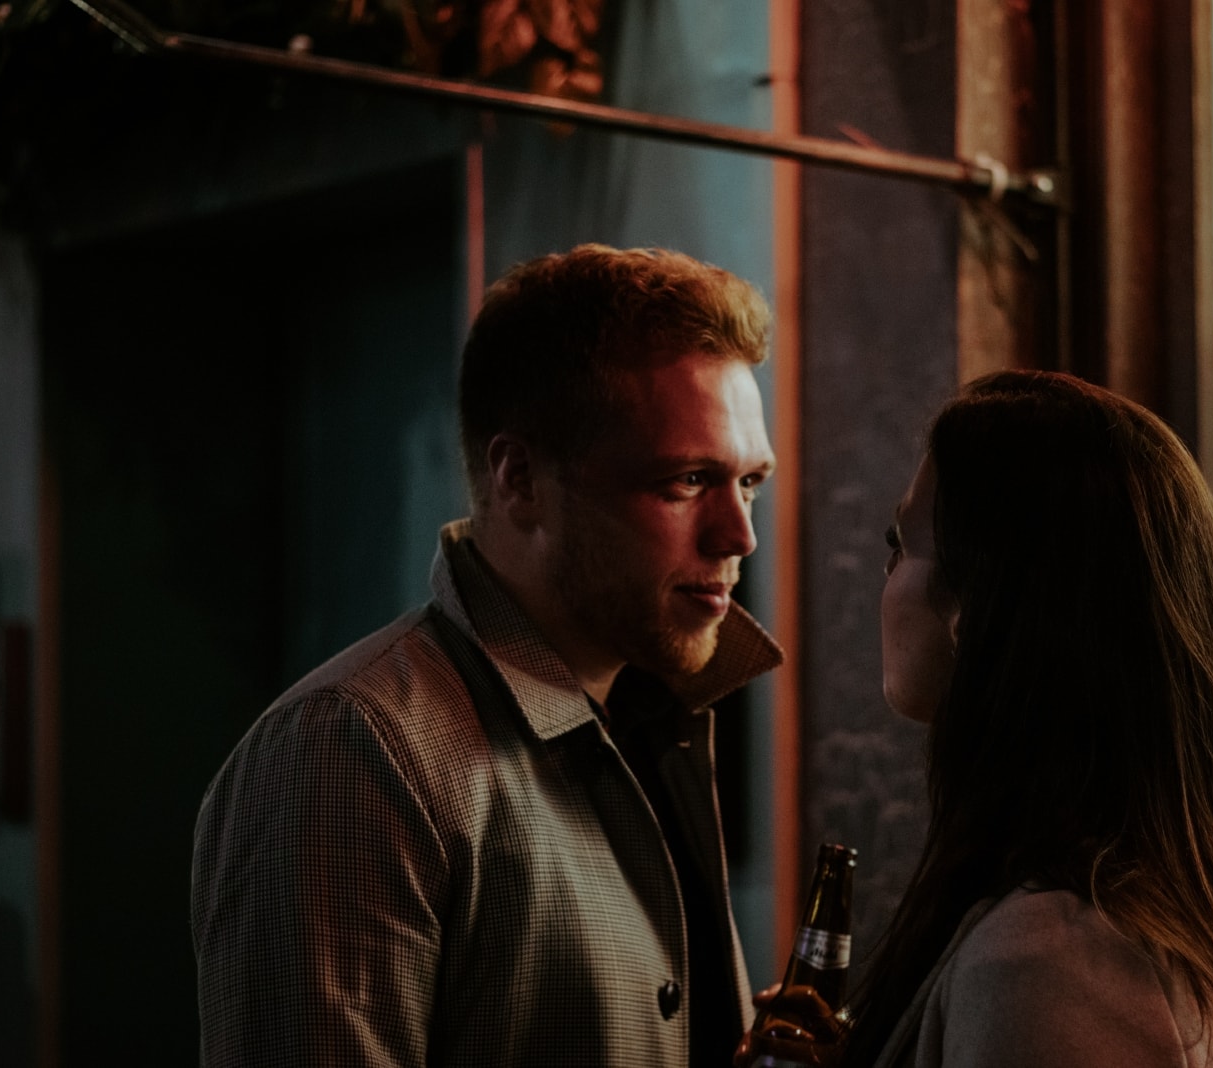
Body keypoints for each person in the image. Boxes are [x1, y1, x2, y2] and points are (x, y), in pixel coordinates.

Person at [191, 244, 783, 1067]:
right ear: (520, 479)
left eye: (749, 483)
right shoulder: (352, 754)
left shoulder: (660, 716)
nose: (738, 535)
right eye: (685, 481)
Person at [841, 370, 1213, 1068]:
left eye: (899, 540)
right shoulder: (1185, 902)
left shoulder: (1046, 962)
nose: (887, 572)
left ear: (978, 604)